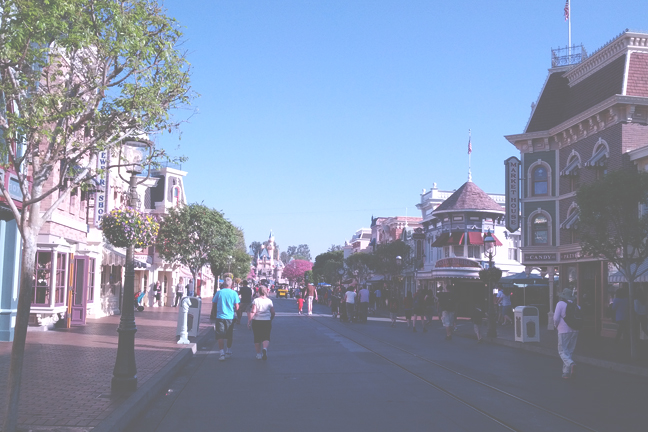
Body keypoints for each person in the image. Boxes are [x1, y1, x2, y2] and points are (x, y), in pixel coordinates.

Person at [212, 275, 240, 361]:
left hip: (220, 316)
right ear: (231, 285)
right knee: (229, 335)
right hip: (230, 317)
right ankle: (228, 350)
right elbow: (237, 307)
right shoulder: (234, 293)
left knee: (220, 335)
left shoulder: (219, 293)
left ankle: (221, 353)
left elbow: (214, 303)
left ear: (223, 284)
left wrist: (215, 312)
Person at [554, 288, 580, 379]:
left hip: (563, 330)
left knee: (562, 351)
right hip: (575, 330)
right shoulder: (576, 306)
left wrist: (556, 326)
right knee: (569, 351)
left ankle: (571, 364)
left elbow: (556, 318)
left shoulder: (560, 304)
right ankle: (566, 372)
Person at [247, 285, 275, 360]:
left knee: (257, 338)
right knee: (266, 337)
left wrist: (249, 321)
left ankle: (258, 354)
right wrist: (271, 318)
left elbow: (253, 311)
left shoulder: (256, 300)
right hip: (267, 320)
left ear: (258, 292)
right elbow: (273, 312)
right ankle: (265, 349)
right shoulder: (269, 301)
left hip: (257, 321)